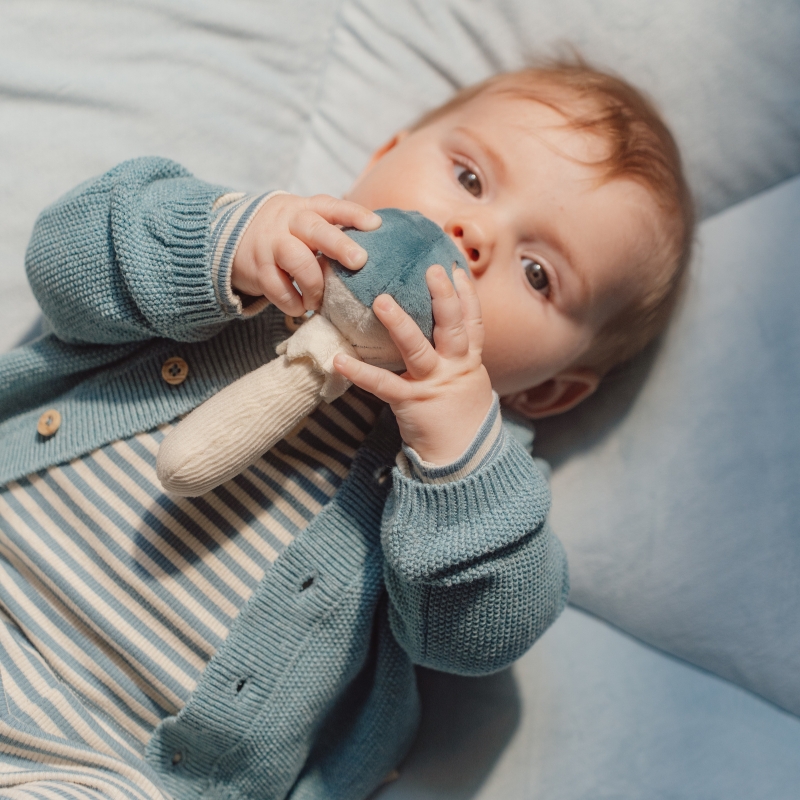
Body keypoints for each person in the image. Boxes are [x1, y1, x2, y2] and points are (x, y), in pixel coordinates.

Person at [0, 61, 692, 800]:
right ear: (384, 155)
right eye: (468, 178)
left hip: (110, 765)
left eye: (537, 274)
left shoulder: (475, 481)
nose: (473, 235)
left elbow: (482, 636)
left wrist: (458, 457)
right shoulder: (247, 261)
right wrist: (228, 243)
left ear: (549, 391)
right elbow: (65, 258)